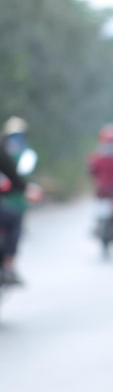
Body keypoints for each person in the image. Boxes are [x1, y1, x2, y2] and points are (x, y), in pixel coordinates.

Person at [0, 117, 38, 285]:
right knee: (15, 220)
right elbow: (15, 177)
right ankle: (8, 266)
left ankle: (8, 266)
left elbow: (17, 176)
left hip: (14, 199)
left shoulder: (26, 154)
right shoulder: (4, 151)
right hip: (10, 199)